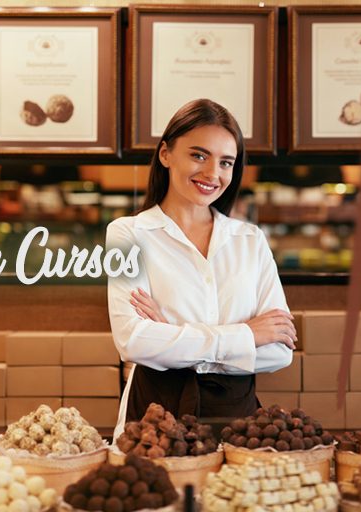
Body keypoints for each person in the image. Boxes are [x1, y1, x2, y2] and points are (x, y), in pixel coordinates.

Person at [106, 99, 296, 439]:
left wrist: (173, 333)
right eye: (198, 155)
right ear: (165, 154)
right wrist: (247, 335)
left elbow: (279, 350)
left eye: (226, 162)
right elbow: (133, 341)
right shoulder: (126, 234)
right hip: (152, 415)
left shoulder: (250, 240)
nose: (212, 174)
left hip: (238, 422)